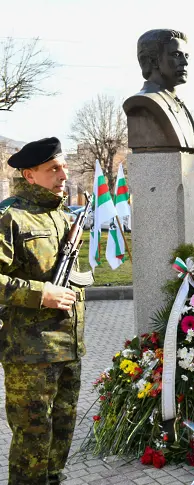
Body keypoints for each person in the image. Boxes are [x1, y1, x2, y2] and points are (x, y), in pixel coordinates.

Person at [0, 137, 85, 484]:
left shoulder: (64, 216)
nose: (62, 174)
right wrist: (40, 294)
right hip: (29, 353)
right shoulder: (10, 217)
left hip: (68, 346)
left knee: (62, 434)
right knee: (32, 442)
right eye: (53, 168)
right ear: (29, 174)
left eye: (63, 166)